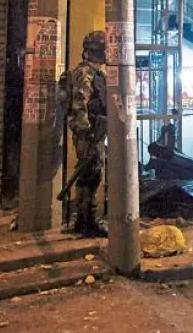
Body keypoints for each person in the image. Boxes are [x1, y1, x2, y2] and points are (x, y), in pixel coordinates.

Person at [66, 31, 108, 238]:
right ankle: (88, 220)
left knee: (88, 174)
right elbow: (80, 103)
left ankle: (82, 220)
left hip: (94, 130)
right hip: (88, 132)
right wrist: (86, 132)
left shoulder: (96, 72)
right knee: (91, 173)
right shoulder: (85, 73)